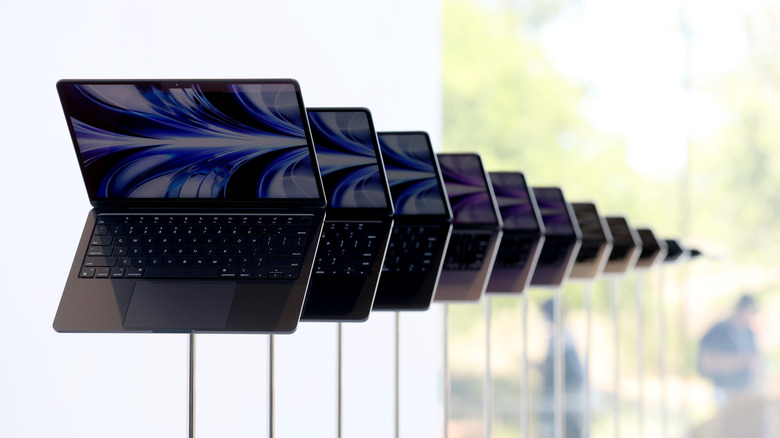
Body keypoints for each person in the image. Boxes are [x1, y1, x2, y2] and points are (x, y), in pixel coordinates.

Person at [698, 294, 760, 404]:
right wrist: (740, 361)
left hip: (745, 391)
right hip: (724, 392)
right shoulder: (718, 332)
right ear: (739, 309)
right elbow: (706, 362)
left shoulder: (749, 333)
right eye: (747, 313)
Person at [538, 298, 584, 438]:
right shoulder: (561, 334)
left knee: (570, 428)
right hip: (564, 394)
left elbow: (551, 369)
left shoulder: (561, 336)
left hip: (567, 394)